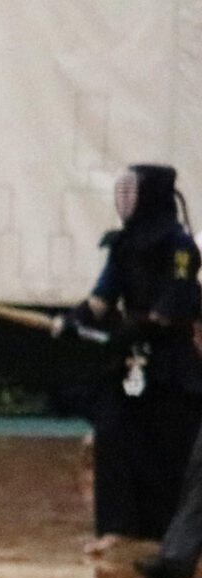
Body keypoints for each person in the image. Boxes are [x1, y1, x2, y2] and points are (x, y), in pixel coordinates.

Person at [65, 165, 202, 554]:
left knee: (171, 445)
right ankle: (118, 527)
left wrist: (139, 327)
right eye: (121, 192)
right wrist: (76, 320)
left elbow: (176, 298)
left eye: (133, 192)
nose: (124, 200)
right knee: (113, 433)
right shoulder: (123, 245)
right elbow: (103, 295)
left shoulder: (180, 247)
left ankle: (174, 535)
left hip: (172, 361)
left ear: (152, 196)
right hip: (131, 359)